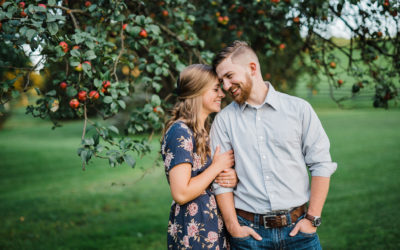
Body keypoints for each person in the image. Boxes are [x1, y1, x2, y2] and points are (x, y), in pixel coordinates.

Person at [210, 41, 338, 249]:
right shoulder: (224, 121)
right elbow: (220, 180)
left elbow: (321, 164)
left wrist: (312, 218)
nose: (225, 86)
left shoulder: (299, 110)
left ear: (252, 68)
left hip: (300, 233)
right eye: (221, 80)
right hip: (250, 237)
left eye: (229, 76)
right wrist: (234, 228)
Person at [161, 64, 239, 249]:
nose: (222, 94)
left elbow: (205, 179)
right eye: (215, 89)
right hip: (194, 232)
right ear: (197, 91)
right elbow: (181, 193)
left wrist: (230, 177)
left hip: (210, 226)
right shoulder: (180, 132)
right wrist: (216, 167)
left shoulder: (201, 131)